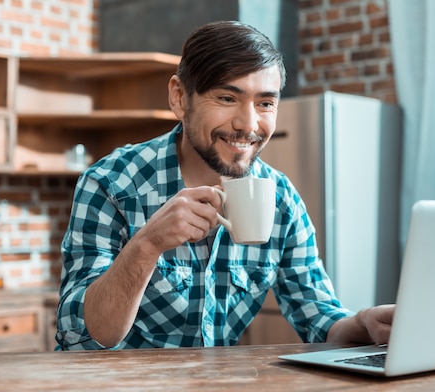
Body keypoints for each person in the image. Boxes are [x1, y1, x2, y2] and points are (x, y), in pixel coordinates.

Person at [56, 20, 395, 350]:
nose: (248, 124)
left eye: (265, 103)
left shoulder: (280, 198)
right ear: (179, 97)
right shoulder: (111, 183)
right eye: (227, 98)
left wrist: (363, 322)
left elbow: (318, 317)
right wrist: (147, 245)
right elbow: (84, 338)